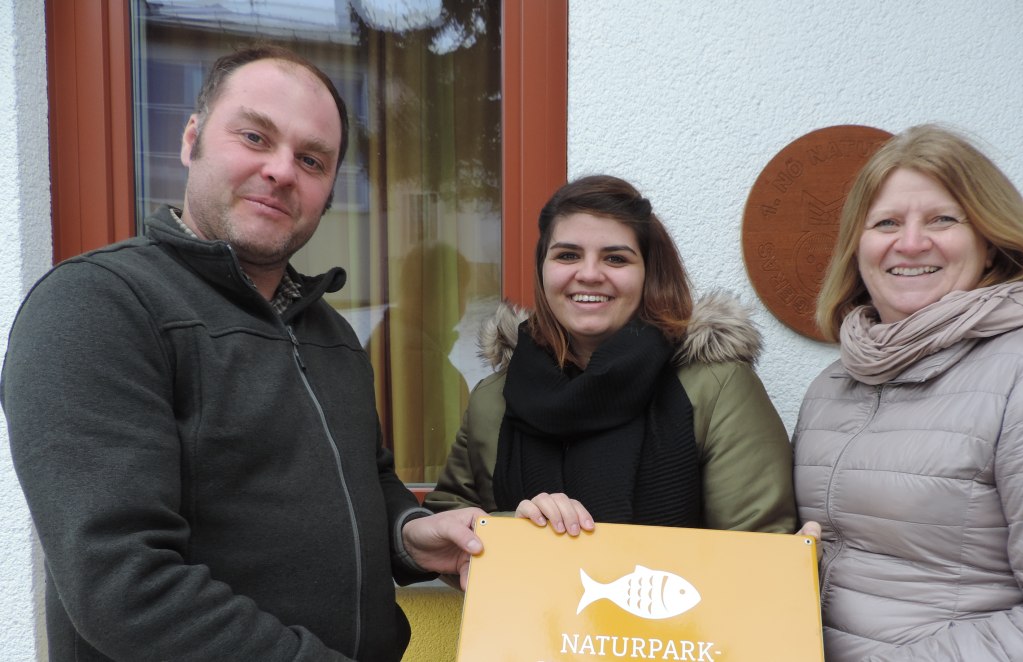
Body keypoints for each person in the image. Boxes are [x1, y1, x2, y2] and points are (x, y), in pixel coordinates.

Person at [1, 45, 485, 662]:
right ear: (192, 139)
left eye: (311, 159)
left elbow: (371, 481)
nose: (282, 171)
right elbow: (125, 586)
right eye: (255, 136)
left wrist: (413, 535)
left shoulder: (330, 332)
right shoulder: (98, 305)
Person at [792, 124, 1023, 660]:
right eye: (886, 222)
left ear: (990, 244)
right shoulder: (836, 384)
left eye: (942, 219)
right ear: (857, 248)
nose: (910, 243)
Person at [424, 174, 796, 538]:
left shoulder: (715, 388)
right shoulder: (496, 397)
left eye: (616, 259)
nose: (588, 274)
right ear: (542, 270)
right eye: (567, 255)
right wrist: (515, 530)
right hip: (530, 603)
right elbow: (448, 524)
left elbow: (760, 551)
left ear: (650, 273)